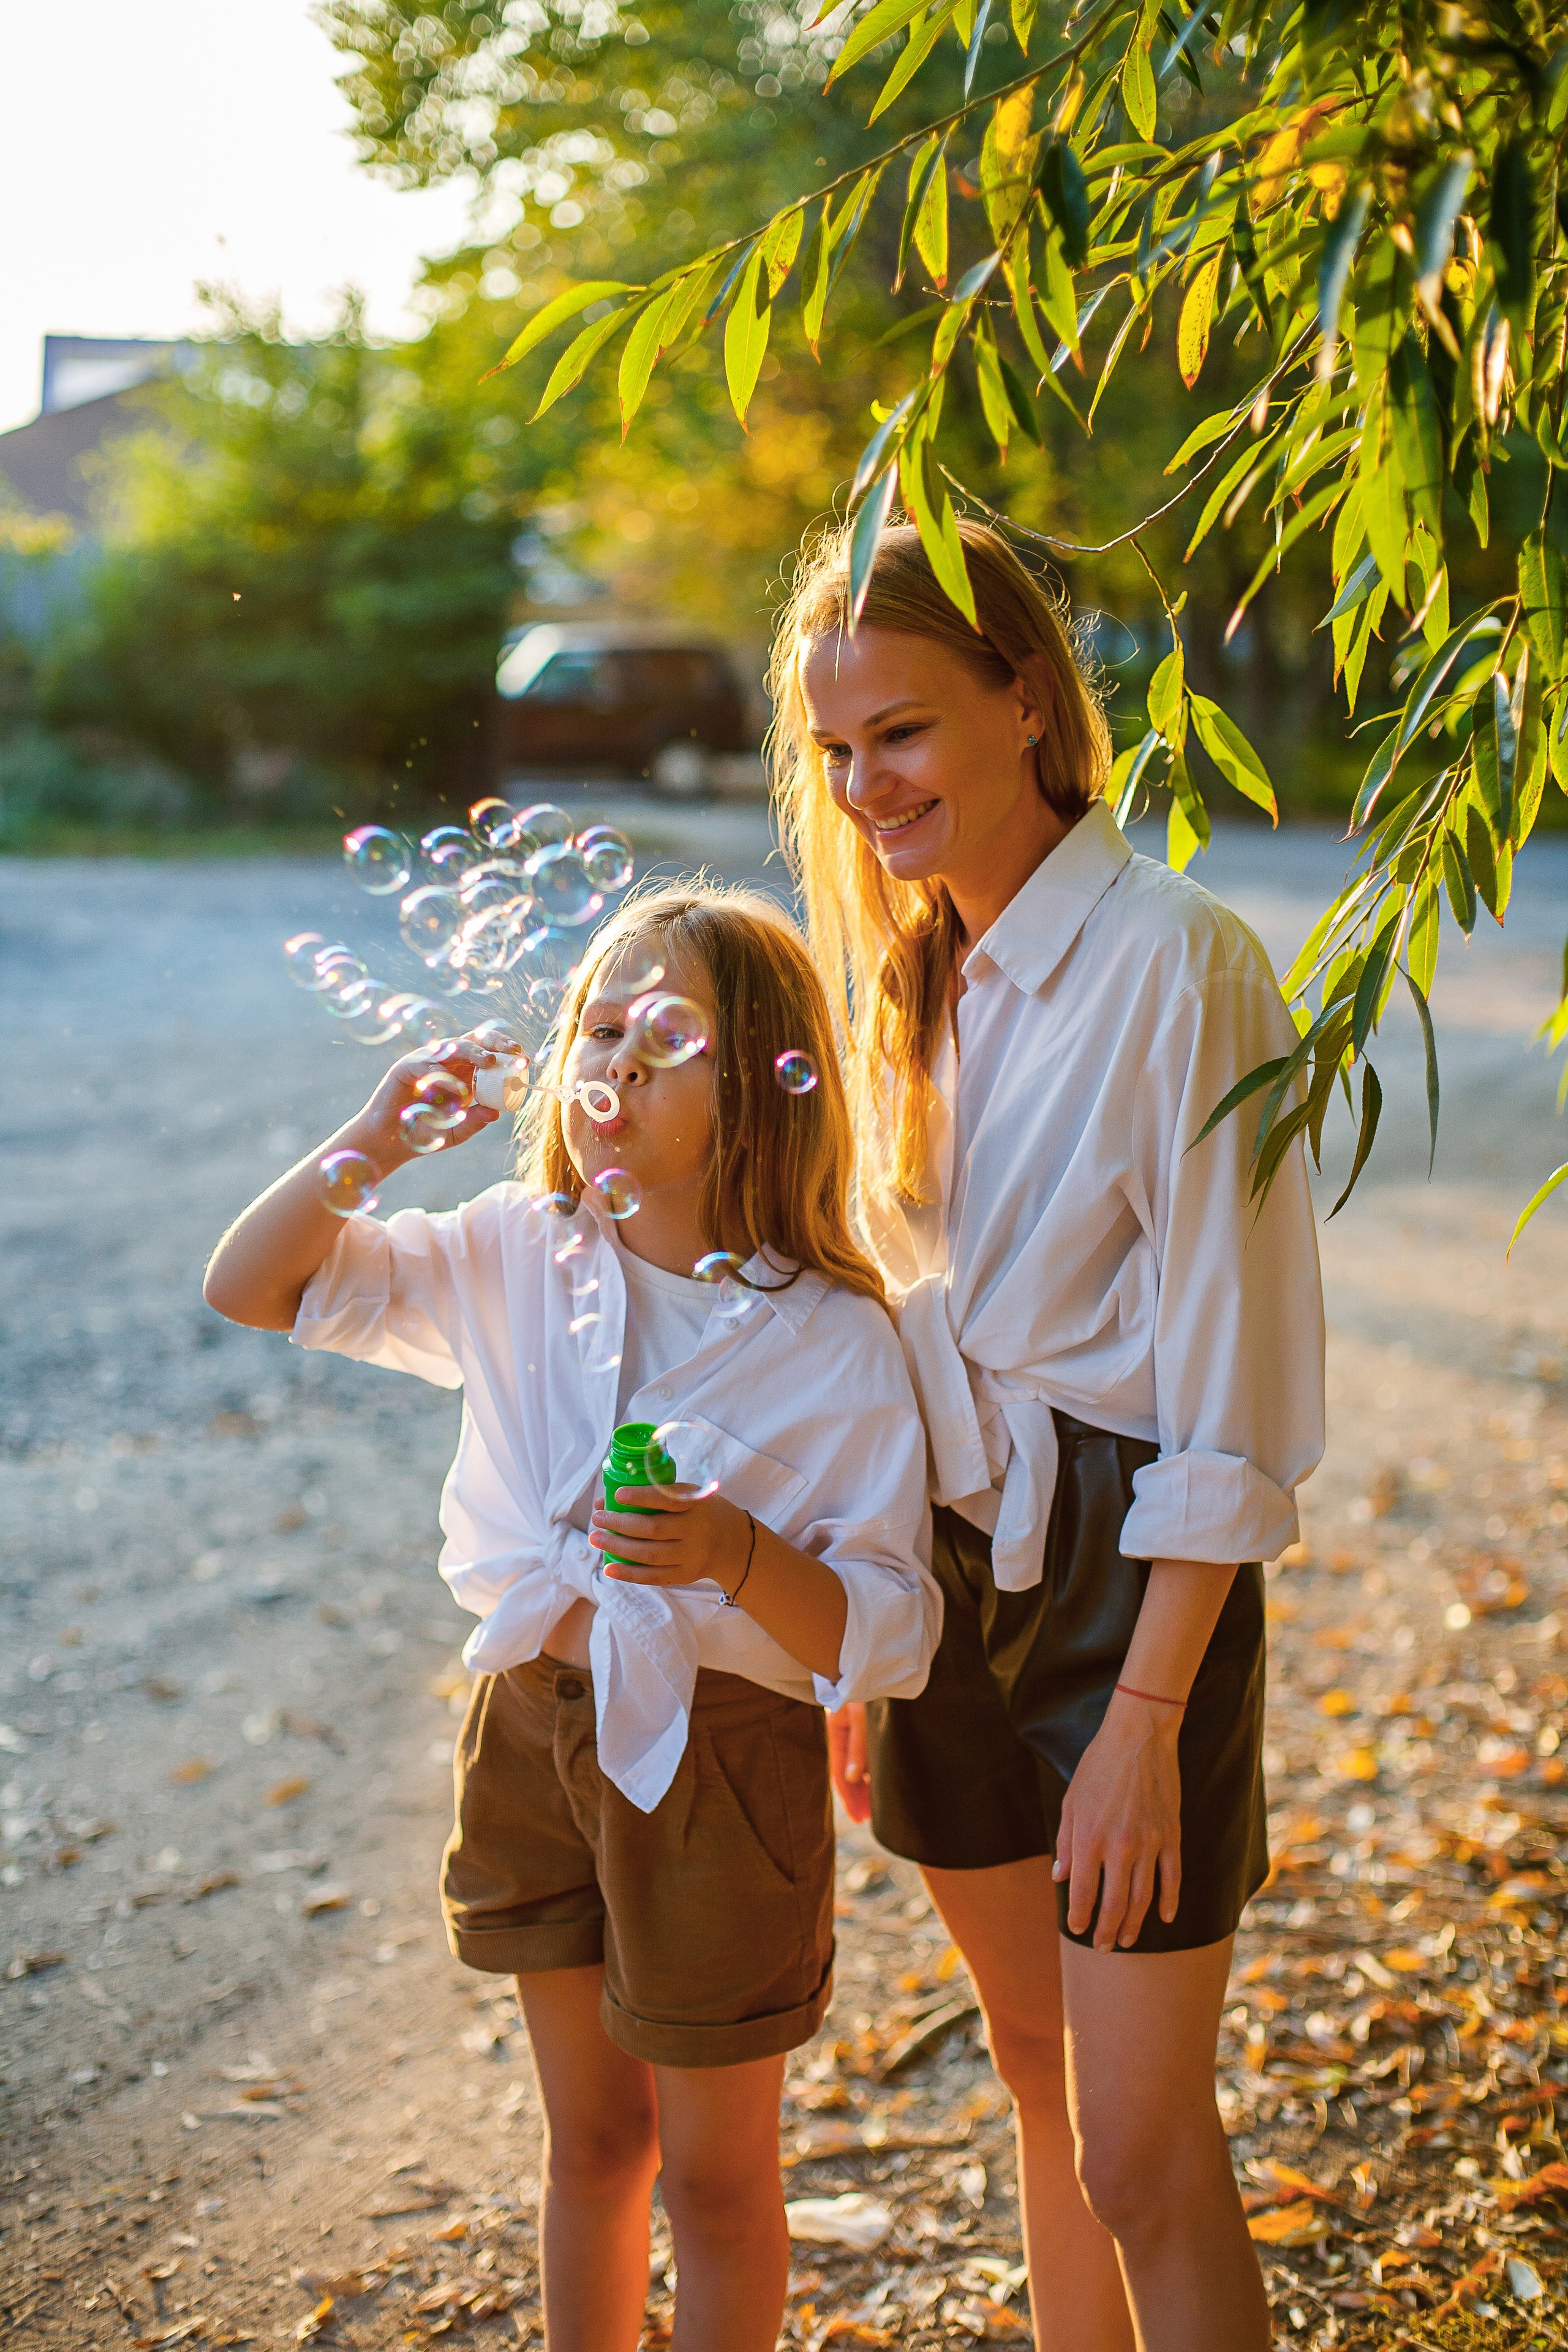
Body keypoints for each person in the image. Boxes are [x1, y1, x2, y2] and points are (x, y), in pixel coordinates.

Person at [202, 882, 938, 2352]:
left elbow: (886, 1634)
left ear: (769, 1093)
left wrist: (733, 1553)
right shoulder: (513, 1252)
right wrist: (373, 1141)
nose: (613, 1063)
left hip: (722, 1764)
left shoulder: (835, 1342)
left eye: (665, 1040)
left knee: (718, 2183)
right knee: (592, 2150)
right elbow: (251, 1286)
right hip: (530, 1729)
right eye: (599, 1029)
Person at [768, 518, 1325, 2352]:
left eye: (902, 736)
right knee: (1031, 2072)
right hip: (941, 1569)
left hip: (1121, 1583)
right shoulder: (915, 976)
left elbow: (1239, 1392)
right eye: (838, 754)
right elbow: (896, 1339)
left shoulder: (1184, 964)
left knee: (1146, 2155)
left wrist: (1147, 1720)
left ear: (1027, 700)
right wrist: (867, 1638)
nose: (865, 793)